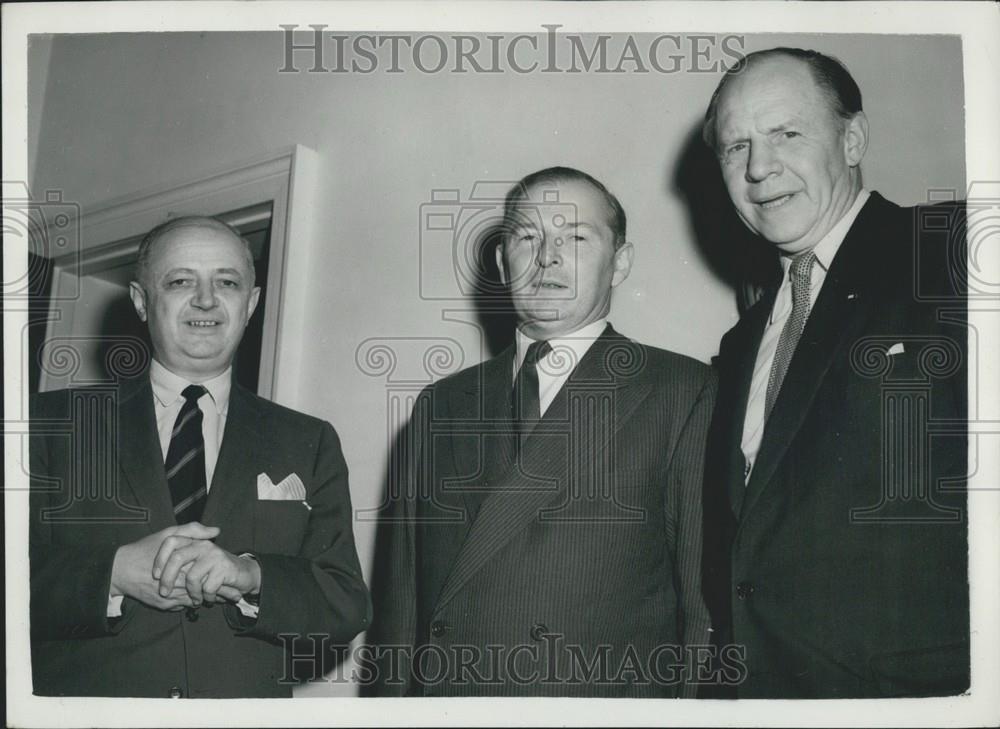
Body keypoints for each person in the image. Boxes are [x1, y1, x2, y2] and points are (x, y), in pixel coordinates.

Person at [368, 167, 715, 697]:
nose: (548, 256)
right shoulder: (441, 403)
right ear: (503, 261)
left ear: (619, 263)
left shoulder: (680, 390)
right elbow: (400, 608)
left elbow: (702, 610)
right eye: (527, 237)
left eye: (575, 237)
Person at [699, 48, 968, 698]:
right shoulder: (739, 343)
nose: (759, 168)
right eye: (736, 148)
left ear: (853, 138)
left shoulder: (953, 250)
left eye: (786, 134)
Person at [29, 216, 370, 697]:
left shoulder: (308, 440)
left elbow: (345, 603)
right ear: (142, 301)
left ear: (250, 304)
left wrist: (251, 575)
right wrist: (113, 574)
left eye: (226, 282)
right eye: (180, 280)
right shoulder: (49, 424)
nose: (206, 299)